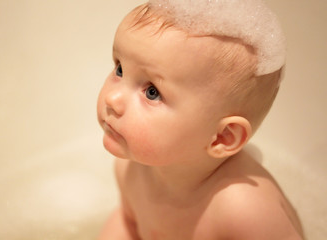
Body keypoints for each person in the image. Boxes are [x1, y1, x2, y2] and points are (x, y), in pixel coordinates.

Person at [97, 1, 304, 239]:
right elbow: (128, 222)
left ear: (222, 137)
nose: (112, 99)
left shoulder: (244, 209)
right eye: (119, 69)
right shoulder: (130, 168)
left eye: (152, 92)